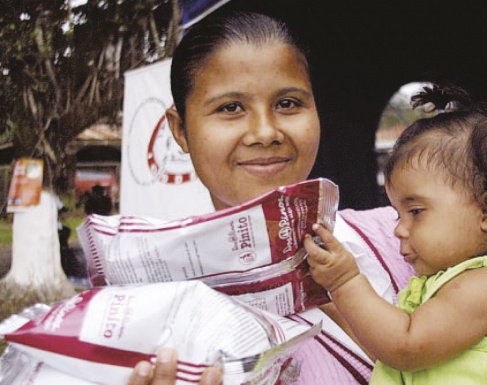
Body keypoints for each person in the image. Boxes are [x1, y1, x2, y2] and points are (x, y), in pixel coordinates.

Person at [127, 10, 414, 385]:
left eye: (288, 103)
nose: (265, 132)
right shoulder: (164, 325)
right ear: (180, 130)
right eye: (230, 108)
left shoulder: (402, 237)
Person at [303, 84, 487, 384]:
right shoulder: (463, 280)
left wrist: (344, 281)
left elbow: (404, 347)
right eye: (397, 214)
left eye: (416, 212)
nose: (398, 228)